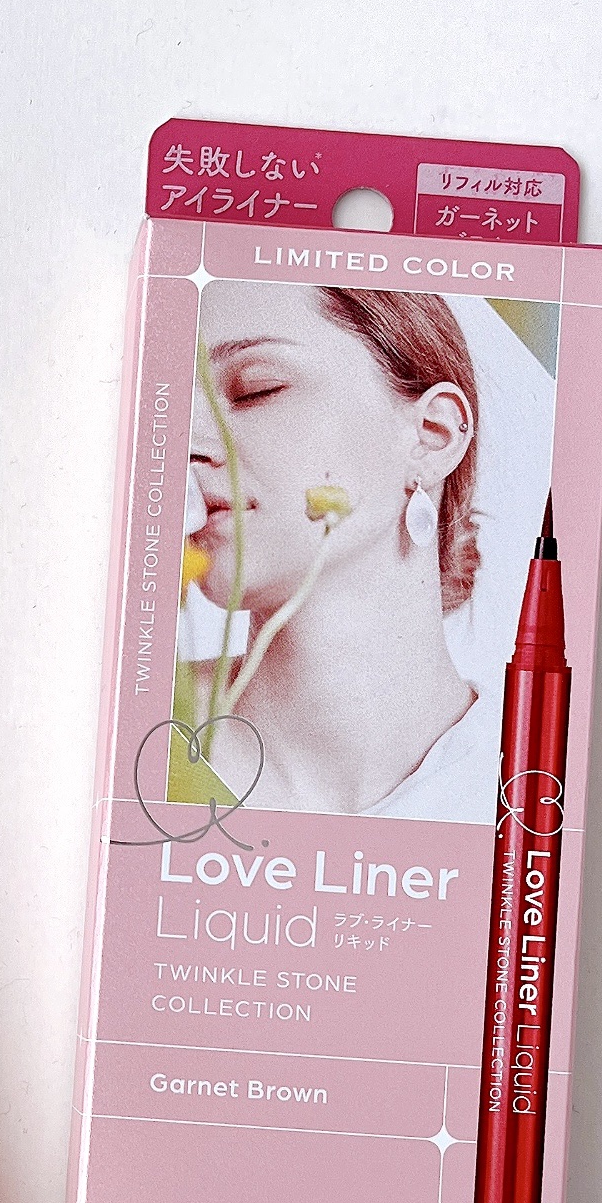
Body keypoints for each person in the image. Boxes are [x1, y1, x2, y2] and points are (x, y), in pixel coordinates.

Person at [187, 282, 498, 821]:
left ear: (432, 434)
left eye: (256, 389)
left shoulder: (529, 789)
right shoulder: (136, 728)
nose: (187, 442)